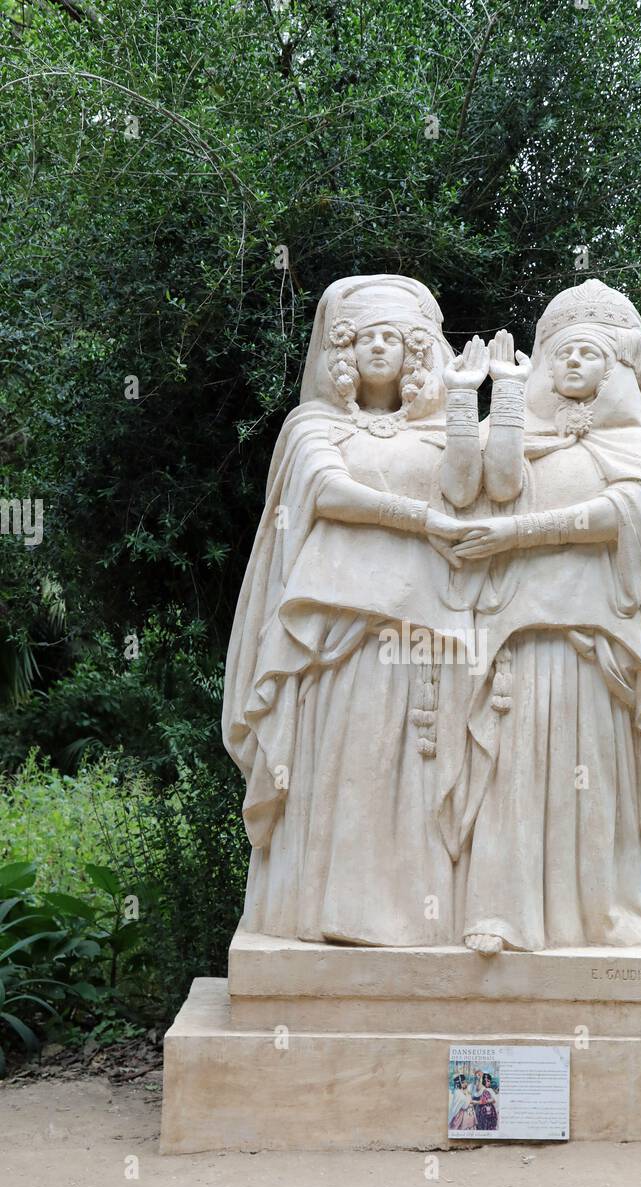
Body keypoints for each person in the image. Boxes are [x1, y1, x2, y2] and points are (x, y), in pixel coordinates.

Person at [443, 281, 641, 952]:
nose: (572, 364)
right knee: (509, 763)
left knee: (594, 769)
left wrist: (518, 535)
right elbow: (476, 490)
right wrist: (497, 396)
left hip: (597, 638)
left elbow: (619, 518)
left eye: (589, 354)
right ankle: (499, 909)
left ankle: (607, 911)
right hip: (516, 630)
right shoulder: (511, 428)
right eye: (562, 353)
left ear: (618, 369)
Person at [223, 274, 481, 945]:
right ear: (344, 350)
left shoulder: (432, 434)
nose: (378, 349)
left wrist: (465, 400)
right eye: (366, 338)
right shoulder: (313, 427)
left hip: (423, 627)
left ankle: (414, 923)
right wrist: (417, 519)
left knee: (415, 768)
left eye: (392, 338)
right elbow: (329, 493)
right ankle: (325, 913)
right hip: (335, 628)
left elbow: (467, 488)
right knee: (343, 762)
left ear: (413, 353)